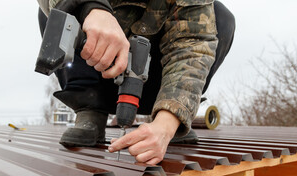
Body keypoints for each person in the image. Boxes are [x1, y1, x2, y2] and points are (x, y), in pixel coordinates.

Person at [37, 0, 235, 165]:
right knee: (58, 9)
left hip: (156, 81)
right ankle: (90, 110)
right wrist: (91, 7)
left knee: (221, 19)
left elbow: (194, 43)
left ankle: (164, 114)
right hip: (97, 72)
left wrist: (167, 123)